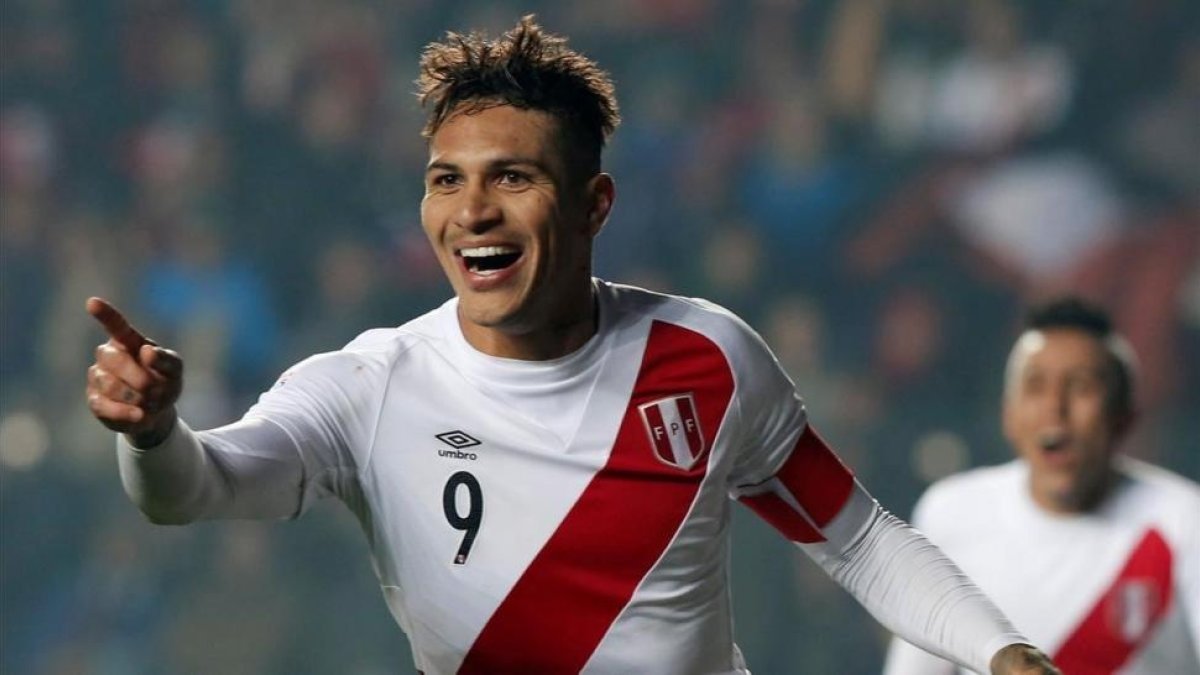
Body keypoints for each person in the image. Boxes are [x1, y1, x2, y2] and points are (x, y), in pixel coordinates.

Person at [86, 16, 1059, 675]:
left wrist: (1007, 654)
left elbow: (858, 538)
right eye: (444, 179)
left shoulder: (708, 359)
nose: (471, 210)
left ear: (594, 204)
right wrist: (153, 432)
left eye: (512, 178)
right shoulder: (368, 386)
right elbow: (194, 491)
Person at [884, 297, 1200, 675]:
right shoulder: (951, 513)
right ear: (1008, 414)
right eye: (1035, 386)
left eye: (1081, 387)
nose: (1055, 406)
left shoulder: (1183, 519)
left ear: (1124, 418)